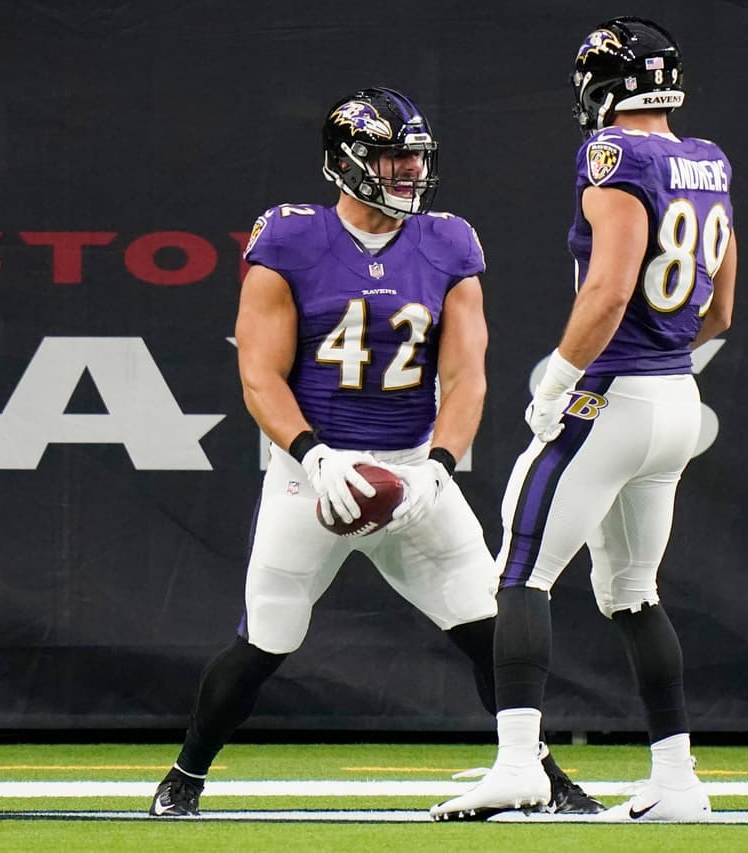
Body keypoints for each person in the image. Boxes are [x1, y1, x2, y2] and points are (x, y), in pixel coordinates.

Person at [150, 86, 599, 817]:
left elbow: (466, 374)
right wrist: (313, 455)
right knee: (269, 634)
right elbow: (258, 371)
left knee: (487, 625)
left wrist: (438, 468)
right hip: (314, 473)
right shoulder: (289, 238)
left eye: (414, 158)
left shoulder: (449, 240)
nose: (407, 173)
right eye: (392, 158)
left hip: (413, 466)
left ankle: (541, 775)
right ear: (346, 161)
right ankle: (185, 775)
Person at [431, 17, 737, 823]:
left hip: (613, 394)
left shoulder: (616, 155)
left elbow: (608, 287)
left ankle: (517, 763)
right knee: (635, 591)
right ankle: (678, 781)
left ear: (603, 84)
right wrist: (670, 368)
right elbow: (721, 308)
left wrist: (562, 378)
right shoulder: (707, 161)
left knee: (522, 573)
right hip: (676, 397)